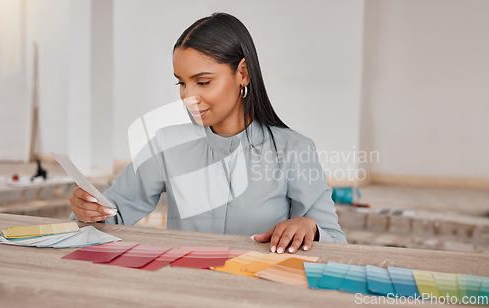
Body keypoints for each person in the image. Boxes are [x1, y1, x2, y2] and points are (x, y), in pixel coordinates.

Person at [69, 12, 346, 254]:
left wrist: (310, 227)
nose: (189, 97)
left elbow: (335, 241)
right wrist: (90, 211)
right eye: (182, 84)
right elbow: (114, 214)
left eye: (203, 82)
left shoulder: (293, 151)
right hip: (183, 287)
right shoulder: (166, 145)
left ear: (243, 73)